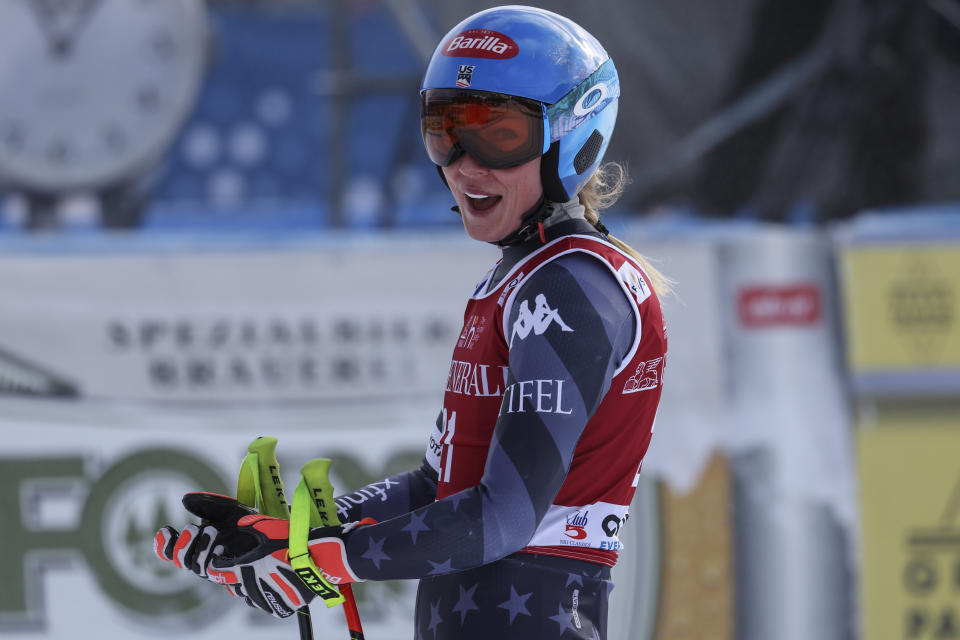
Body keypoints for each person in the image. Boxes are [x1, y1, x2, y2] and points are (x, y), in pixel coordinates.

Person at [154, 6, 669, 639]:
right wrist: (297, 534)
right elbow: (440, 487)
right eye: (443, 129)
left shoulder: (569, 288)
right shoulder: (520, 280)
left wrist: (322, 560)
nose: (462, 164)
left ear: (574, 135)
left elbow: (502, 517)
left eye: (496, 135)